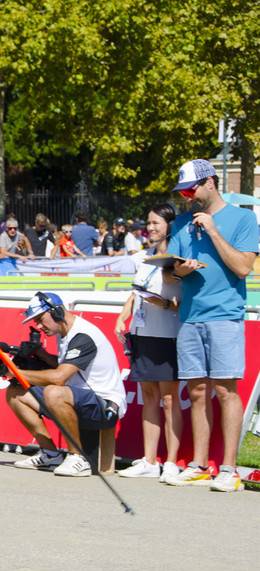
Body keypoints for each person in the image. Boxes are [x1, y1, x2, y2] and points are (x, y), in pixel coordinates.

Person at [164, 159, 259, 492]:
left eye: (191, 190)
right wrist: (181, 270)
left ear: (210, 183)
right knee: (198, 391)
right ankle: (199, 464)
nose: (187, 198)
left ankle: (230, 469)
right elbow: (170, 272)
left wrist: (215, 232)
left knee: (224, 391)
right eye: (183, 193)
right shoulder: (180, 223)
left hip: (224, 315)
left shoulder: (243, 218)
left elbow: (243, 268)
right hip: (190, 315)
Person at [7, 292, 127, 476]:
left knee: (54, 391)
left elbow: (59, 377)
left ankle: (77, 457)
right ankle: (50, 454)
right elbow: (68, 366)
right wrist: (42, 355)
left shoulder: (83, 335)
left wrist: (16, 371)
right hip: (79, 398)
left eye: (40, 319)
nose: (38, 326)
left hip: (106, 406)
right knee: (15, 391)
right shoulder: (64, 331)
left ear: (56, 313)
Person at [114, 203, 183, 482]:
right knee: (150, 397)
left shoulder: (179, 258)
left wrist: (166, 304)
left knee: (169, 399)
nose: (151, 227)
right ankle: (149, 460)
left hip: (168, 334)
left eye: (156, 223)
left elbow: (185, 297)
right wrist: (123, 316)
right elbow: (136, 292)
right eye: (149, 222)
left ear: (169, 224)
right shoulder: (142, 257)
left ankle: (171, 462)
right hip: (142, 332)